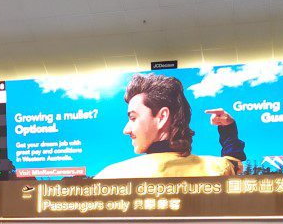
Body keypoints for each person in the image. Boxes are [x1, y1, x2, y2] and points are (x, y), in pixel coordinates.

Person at [95, 73, 246, 179]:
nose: (126, 130)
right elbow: (234, 162)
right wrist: (228, 129)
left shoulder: (109, 177)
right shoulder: (217, 169)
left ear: (162, 117)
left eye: (133, 118)